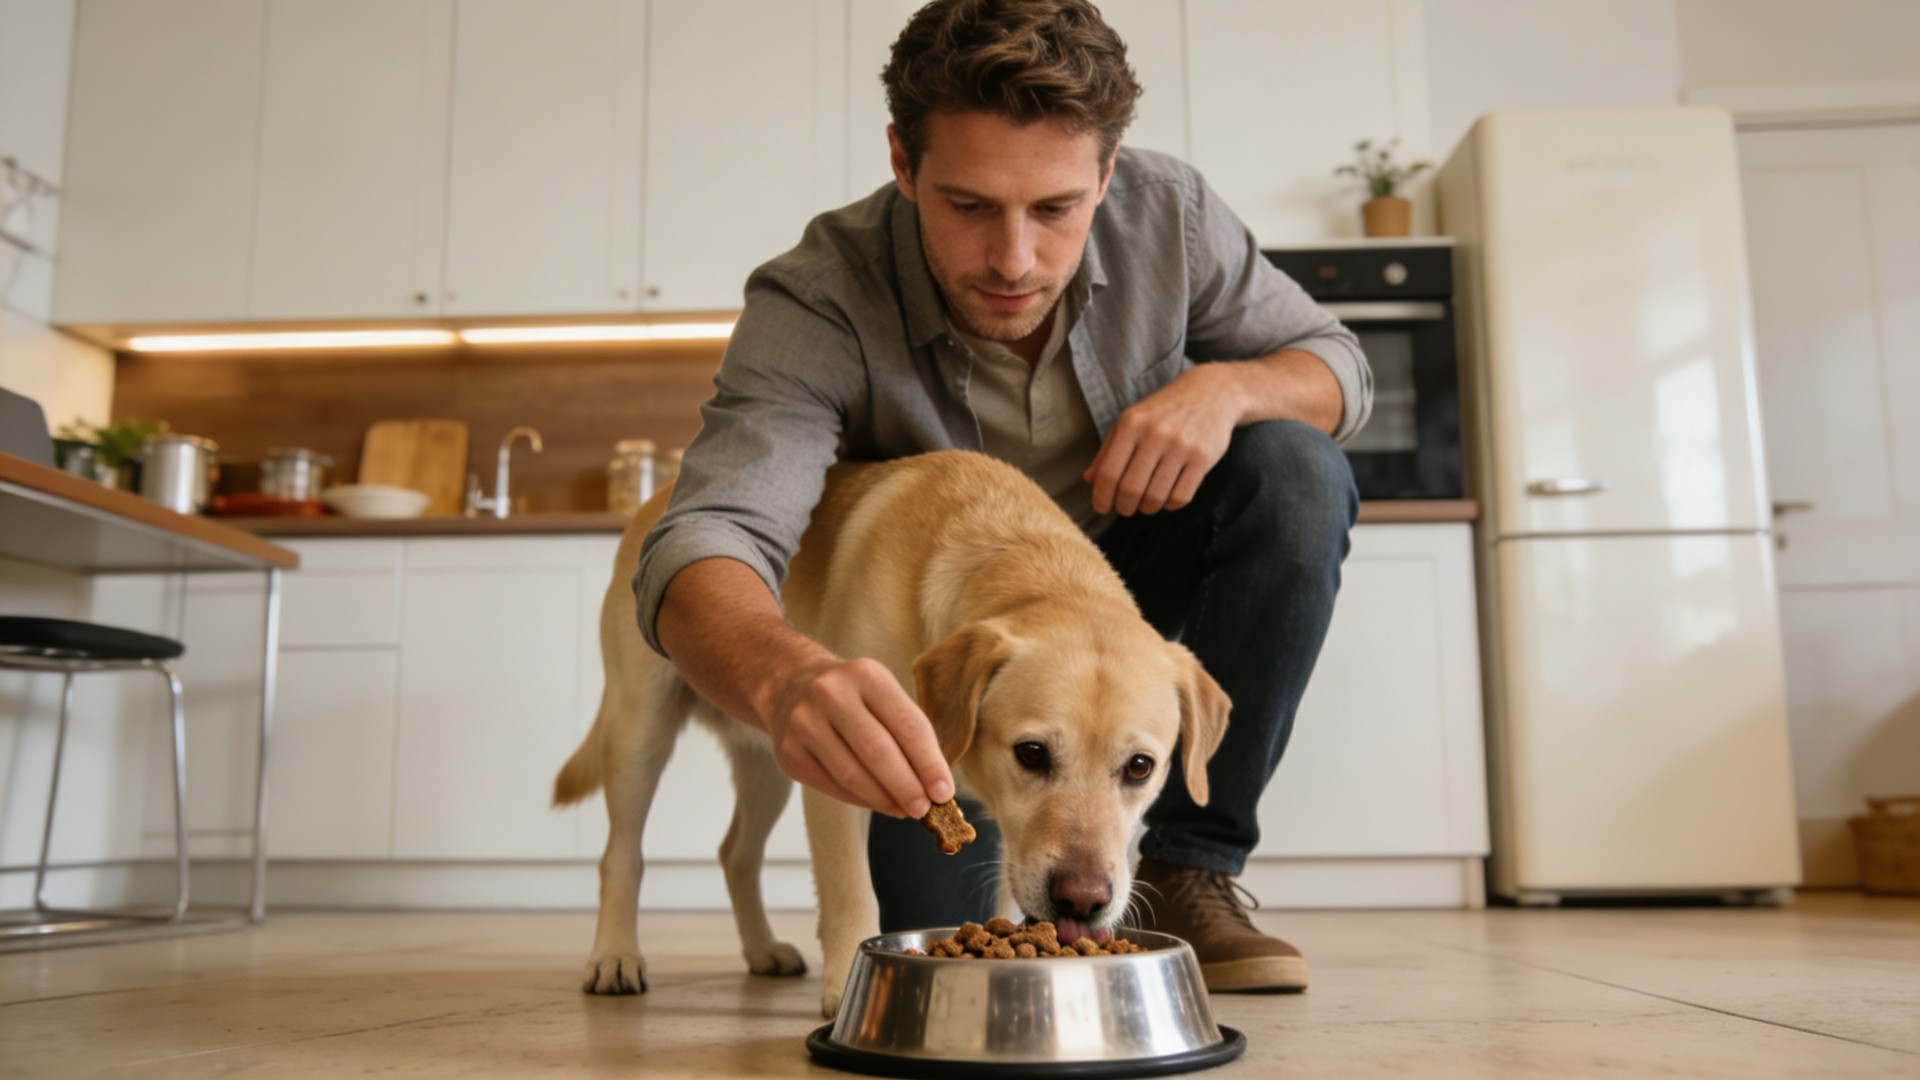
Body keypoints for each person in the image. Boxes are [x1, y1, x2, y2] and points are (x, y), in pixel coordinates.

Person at [633, 0, 1369, 994]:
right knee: (945, 952)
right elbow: (710, 529)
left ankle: (1190, 868)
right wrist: (781, 679)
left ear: (1108, 175)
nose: (1014, 260)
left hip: (1128, 596)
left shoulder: (1172, 215)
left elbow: (1339, 367)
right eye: (970, 205)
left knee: (1295, 468)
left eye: (1057, 209)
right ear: (903, 164)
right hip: (945, 652)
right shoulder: (818, 295)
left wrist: (1230, 387)